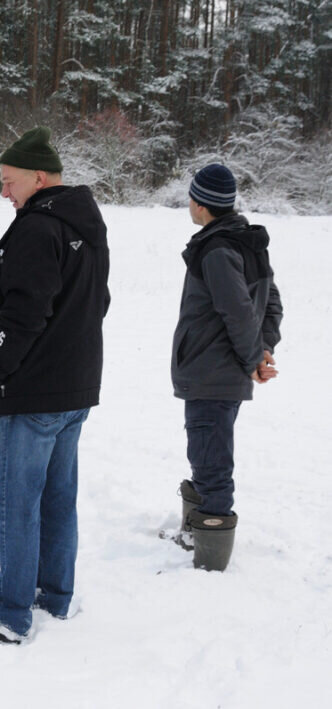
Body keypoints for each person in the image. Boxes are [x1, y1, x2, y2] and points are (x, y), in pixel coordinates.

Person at [0, 127, 111, 645]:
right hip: (72, 389)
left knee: (16, 501)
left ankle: (11, 613)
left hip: (31, 395)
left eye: (8, 182)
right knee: (56, 498)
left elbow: (23, 313)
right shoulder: (85, 226)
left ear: (38, 178)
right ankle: (54, 596)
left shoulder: (36, 228)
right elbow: (96, 303)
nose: (3, 192)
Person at [169, 163, 282, 571]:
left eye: (191, 197)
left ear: (200, 204)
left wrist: (256, 358)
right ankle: (193, 532)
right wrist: (263, 349)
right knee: (205, 452)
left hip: (212, 372)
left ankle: (210, 559)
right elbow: (271, 304)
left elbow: (238, 312)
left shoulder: (218, 249)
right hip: (220, 371)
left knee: (212, 461)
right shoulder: (244, 241)